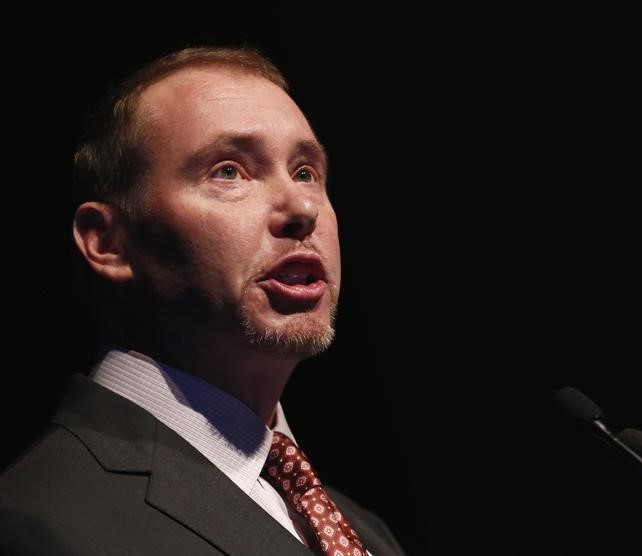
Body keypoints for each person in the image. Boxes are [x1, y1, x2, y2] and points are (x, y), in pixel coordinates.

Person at [0, 45, 407, 556]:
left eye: (306, 171)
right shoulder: (37, 526)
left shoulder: (364, 530)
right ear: (109, 243)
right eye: (229, 171)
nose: (302, 208)